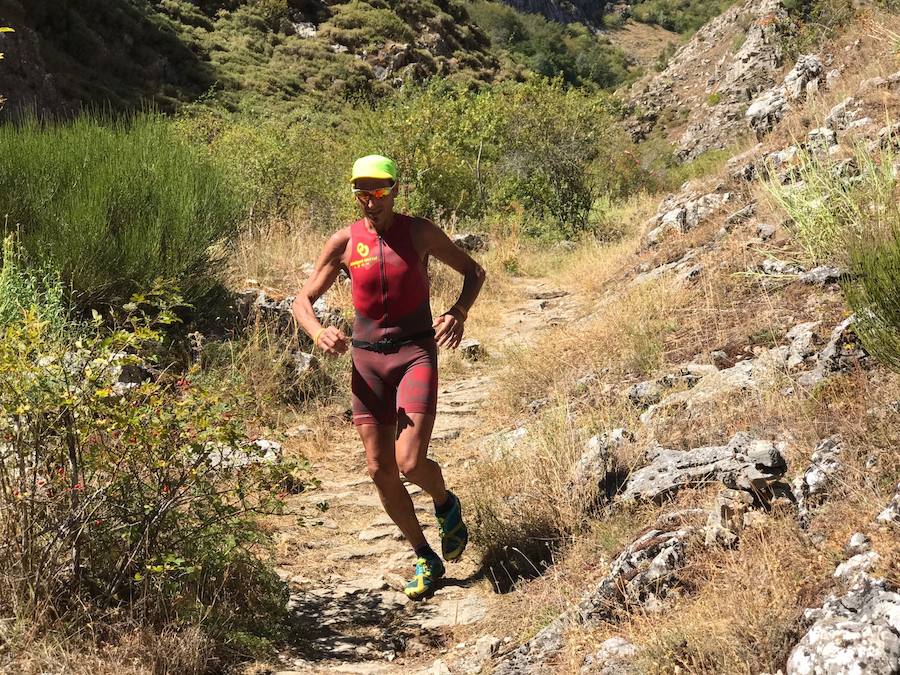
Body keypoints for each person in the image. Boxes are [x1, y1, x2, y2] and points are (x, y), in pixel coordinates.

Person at [292, 154, 486, 600]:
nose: (369, 200)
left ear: (396, 190)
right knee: (380, 469)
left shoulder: (418, 232)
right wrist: (318, 332)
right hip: (366, 363)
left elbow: (474, 271)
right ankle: (424, 556)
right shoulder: (344, 241)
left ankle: (445, 502)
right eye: (361, 191)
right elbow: (301, 300)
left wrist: (459, 311)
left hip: (415, 352)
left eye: (378, 191)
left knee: (410, 463)